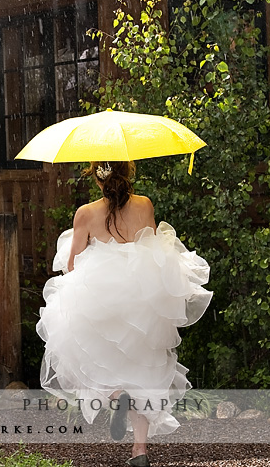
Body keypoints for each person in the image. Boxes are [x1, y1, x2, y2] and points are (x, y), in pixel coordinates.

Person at [36, 161, 212, 466]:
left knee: (95, 363)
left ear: (97, 177)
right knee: (143, 371)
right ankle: (139, 450)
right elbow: (155, 252)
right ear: (127, 174)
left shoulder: (86, 213)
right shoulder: (144, 205)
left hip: (100, 303)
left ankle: (116, 398)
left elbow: (73, 264)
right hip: (142, 303)